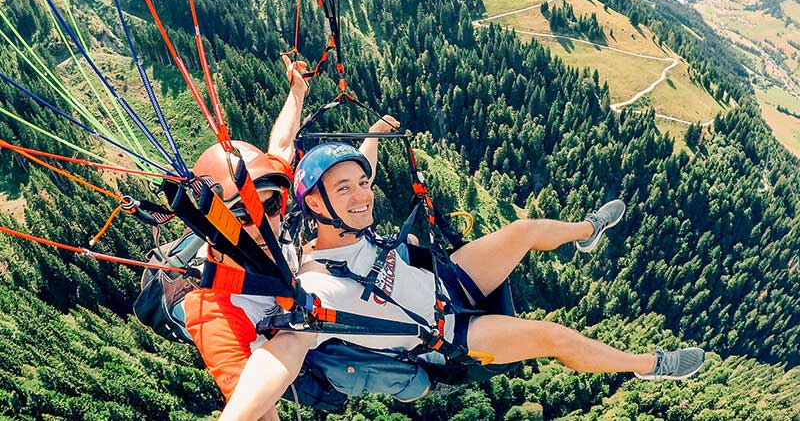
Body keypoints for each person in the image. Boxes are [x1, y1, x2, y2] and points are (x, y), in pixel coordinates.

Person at [218, 142, 706, 421]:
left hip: (445, 281)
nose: (362, 196)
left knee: (524, 231)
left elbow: (333, 172)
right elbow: (278, 358)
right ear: (317, 206)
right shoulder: (314, 292)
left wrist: (370, 137)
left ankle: (587, 232)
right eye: (344, 189)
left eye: (364, 183)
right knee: (551, 338)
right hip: (448, 336)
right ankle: (646, 365)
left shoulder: (339, 227)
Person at [182, 56, 399, 420]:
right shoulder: (213, 311)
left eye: (269, 208)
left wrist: (297, 91)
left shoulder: (267, 197)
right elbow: (251, 409)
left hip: (292, 298)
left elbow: (281, 147)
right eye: (240, 217)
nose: (263, 224)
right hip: (285, 341)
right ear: (212, 223)